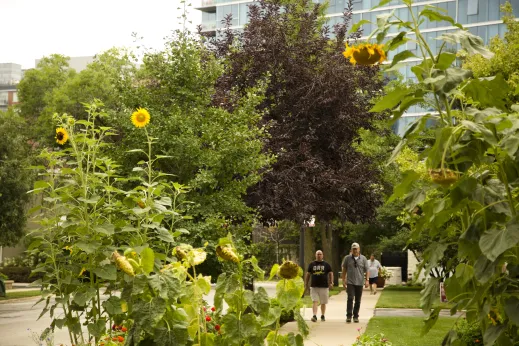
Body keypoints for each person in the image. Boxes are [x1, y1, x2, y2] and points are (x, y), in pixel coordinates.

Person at [341, 242, 369, 323]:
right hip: (350, 282)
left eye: (356, 249)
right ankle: (349, 316)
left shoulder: (363, 259)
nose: (355, 250)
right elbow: (344, 269)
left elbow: (367, 270)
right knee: (350, 298)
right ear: (351, 250)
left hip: (360, 282)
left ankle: (356, 316)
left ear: (359, 249)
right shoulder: (347, 258)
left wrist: (367, 280)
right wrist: (343, 280)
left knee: (358, 300)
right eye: (353, 249)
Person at [305, 250, 333, 322]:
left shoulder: (326, 264)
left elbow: (330, 273)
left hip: (324, 286)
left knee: (323, 302)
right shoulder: (312, 264)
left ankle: (322, 315)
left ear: (322, 255)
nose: (319, 255)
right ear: (315, 255)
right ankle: (314, 316)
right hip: (314, 286)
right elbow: (308, 274)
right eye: (318, 254)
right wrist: (306, 283)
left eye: (320, 254)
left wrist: (331, 282)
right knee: (315, 301)